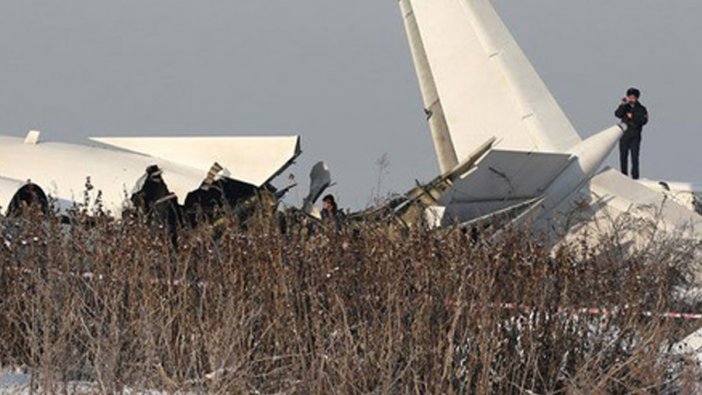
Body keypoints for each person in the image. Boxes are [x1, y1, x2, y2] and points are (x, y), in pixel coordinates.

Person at [615, 87, 649, 179]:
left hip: (635, 136)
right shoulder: (625, 107)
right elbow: (618, 114)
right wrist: (622, 104)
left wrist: (633, 117)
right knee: (623, 157)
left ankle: (635, 177)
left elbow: (644, 120)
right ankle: (623, 176)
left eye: (633, 97)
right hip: (624, 136)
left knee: (634, 157)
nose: (631, 99)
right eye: (630, 97)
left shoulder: (641, 109)